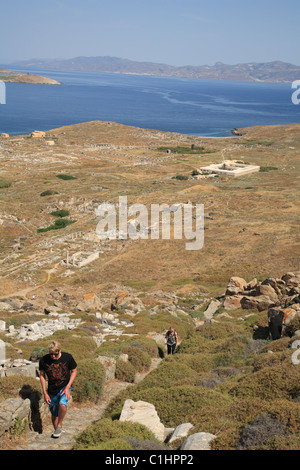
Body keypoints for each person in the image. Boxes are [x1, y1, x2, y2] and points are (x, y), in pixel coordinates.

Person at [39, 341, 77, 438]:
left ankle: (59, 425)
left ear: (59, 350)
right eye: (51, 354)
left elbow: (74, 371)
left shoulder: (68, 357)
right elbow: (42, 376)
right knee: (54, 414)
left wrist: (68, 387)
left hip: (64, 387)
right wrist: (45, 392)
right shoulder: (44, 360)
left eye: (55, 354)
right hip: (52, 389)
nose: (53, 357)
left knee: (63, 405)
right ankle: (57, 429)